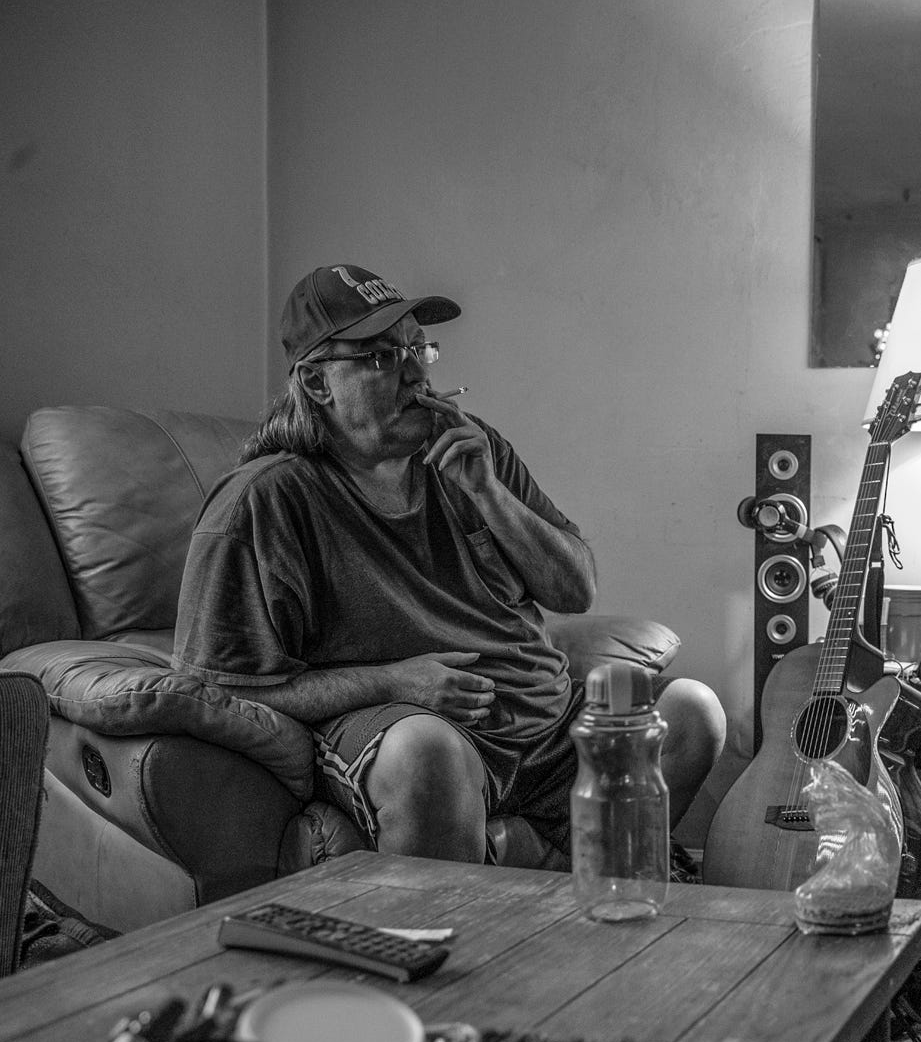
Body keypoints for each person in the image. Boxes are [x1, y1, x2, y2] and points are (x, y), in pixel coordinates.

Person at [175, 263, 725, 868]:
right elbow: (214, 687)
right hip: (414, 727)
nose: (416, 373)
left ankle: (608, 909)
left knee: (692, 711)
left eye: (418, 348)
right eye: (382, 358)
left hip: (551, 729)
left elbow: (575, 589)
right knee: (426, 751)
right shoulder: (264, 502)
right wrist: (391, 681)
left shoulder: (471, 448)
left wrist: (489, 493)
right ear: (317, 384)